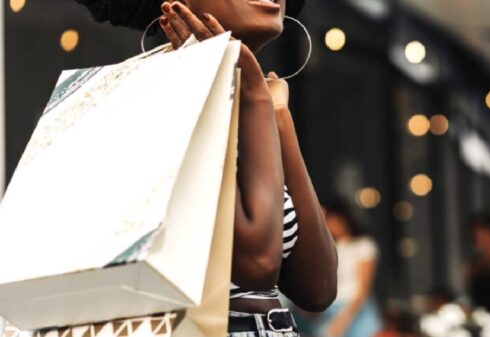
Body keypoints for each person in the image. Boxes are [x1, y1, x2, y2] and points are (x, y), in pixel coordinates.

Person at [76, 0, 338, 336]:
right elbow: (256, 264)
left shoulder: (254, 105)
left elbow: (319, 288)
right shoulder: (152, 102)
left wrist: (278, 118)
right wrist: (257, 96)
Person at [310, 201, 381, 337]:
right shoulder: (329, 247)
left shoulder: (363, 245)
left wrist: (342, 321)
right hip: (330, 309)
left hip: (355, 311)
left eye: (331, 219)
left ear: (343, 219)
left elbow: (362, 291)